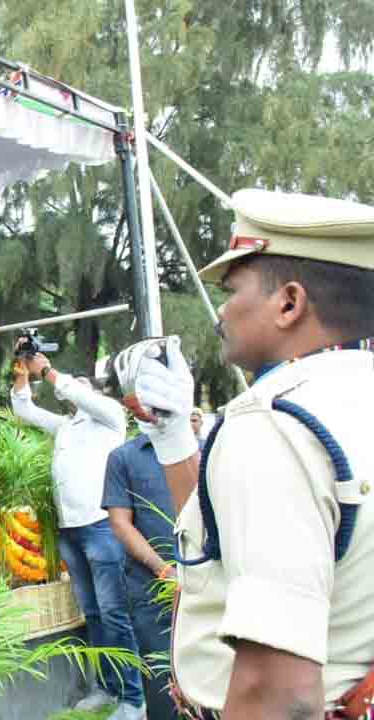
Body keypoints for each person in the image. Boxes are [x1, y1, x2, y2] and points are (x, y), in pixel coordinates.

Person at [130, 190, 374, 719]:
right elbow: (237, 545)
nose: (222, 310)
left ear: (289, 303)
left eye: (233, 289)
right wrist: (175, 439)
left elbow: (279, 694)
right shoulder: (349, 403)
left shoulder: (273, 426)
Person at [11, 355, 143, 720]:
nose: (71, 390)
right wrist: (22, 375)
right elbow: (25, 410)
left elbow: (76, 391)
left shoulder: (109, 417)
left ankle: (134, 699)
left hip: (101, 528)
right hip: (71, 531)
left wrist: (49, 372)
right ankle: (107, 688)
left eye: (81, 386)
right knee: (94, 615)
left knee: (115, 614)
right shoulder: (66, 427)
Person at [102, 433, 179, 720]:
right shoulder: (123, 457)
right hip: (152, 589)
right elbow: (120, 524)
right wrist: (164, 571)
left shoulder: (202, 450)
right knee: (162, 685)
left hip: (205, 585)